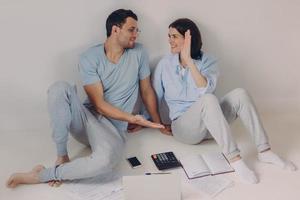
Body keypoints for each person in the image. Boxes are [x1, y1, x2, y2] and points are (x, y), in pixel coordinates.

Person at [6, 9, 171, 188]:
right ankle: (62, 156)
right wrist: (131, 117)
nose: (136, 35)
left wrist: (158, 124)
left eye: (137, 31)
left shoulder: (139, 53)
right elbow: (99, 105)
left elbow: (146, 90)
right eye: (131, 30)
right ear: (115, 30)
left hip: (113, 130)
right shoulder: (89, 57)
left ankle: (42, 175)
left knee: (107, 160)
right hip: (87, 119)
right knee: (59, 88)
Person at [152, 18, 296, 184]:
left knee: (240, 93)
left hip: (212, 127)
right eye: (169, 36)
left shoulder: (208, 61)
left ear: (188, 39)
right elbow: (154, 95)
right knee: (208, 99)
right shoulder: (164, 64)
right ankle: (235, 159)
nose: (170, 40)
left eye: (174, 36)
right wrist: (153, 122)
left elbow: (205, 89)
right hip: (184, 129)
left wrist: (190, 62)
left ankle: (265, 151)